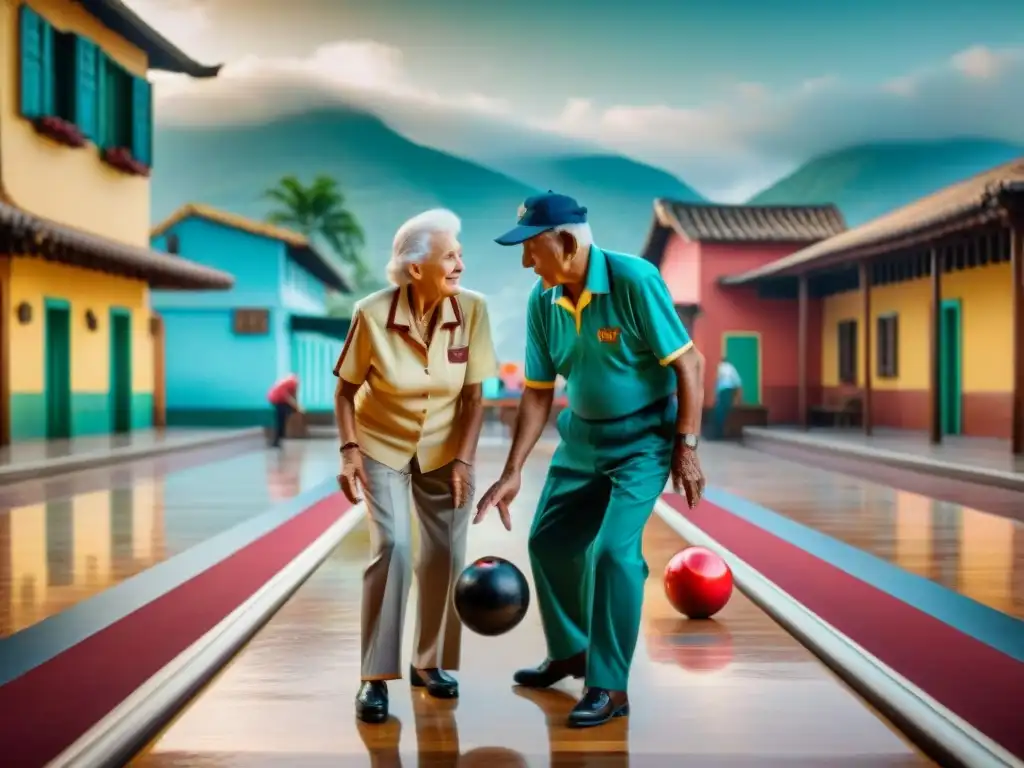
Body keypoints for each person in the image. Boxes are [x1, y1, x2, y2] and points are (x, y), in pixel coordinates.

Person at [475, 192, 707, 728]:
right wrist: (511, 472)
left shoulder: (634, 281)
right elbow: (536, 392)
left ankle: (608, 685)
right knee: (548, 542)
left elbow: (689, 364)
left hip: (644, 440)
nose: (526, 262)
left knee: (612, 554)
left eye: (531, 248)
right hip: (579, 441)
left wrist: (685, 447)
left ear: (567, 242)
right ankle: (572, 650)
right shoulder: (543, 300)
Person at [333, 208, 500, 724]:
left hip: (447, 446)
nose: (460, 265)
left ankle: (429, 663)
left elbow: (475, 397)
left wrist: (465, 462)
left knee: (446, 552)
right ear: (414, 268)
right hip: (381, 442)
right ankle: (375, 676)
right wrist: (349, 451)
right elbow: (344, 391)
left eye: (460, 254)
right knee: (395, 549)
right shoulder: (371, 312)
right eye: (449, 256)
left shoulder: (473, 311)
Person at [267, 373, 302, 448]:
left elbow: (292, 396)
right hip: (279, 402)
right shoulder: (293, 382)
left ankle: (278, 438)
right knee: (280, 422)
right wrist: (296, 406)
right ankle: (277, 440)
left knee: (280, 421)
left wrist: (295, 405)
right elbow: (289, 396)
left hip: (276, 400)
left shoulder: (286, 381)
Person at [713, 357, 742, 439]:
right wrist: (738, 397)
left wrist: (716, 396)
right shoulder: (731, 368)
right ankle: (727, 432)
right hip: (728, 391)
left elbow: (718, 382)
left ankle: (719, 432)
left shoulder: (720, 367)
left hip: (721, 392)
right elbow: (738, 382)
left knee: (720, 412)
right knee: (727, 411)